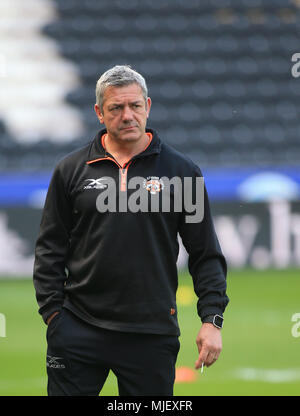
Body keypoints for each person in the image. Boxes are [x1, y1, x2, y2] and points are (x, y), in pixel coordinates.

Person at [33, 65, 229, 396]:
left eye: (135, 106)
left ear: (147, 106)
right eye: (116, 108)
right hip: (78, 328)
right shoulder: (70, 170)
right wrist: (54, 315)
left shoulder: (182, 172)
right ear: (99, 112)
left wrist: (212, 319)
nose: (128, 115)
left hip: (151, 332)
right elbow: (49, 249)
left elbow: (205, 253)